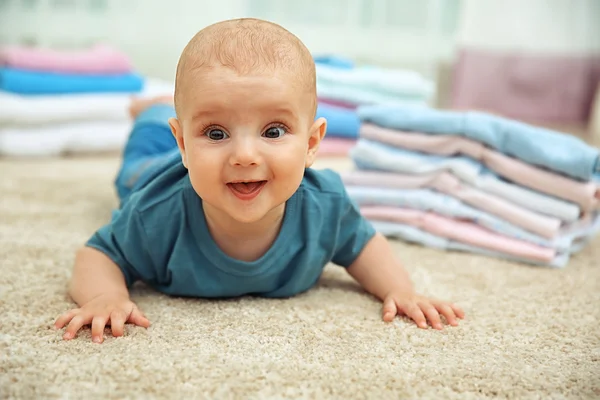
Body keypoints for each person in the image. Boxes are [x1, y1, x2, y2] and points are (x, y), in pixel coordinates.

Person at [54, 18, 464, 344]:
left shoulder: (325, 207)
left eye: (273, 131)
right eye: (215, 132)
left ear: (311, 143)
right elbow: (97, 255)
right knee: (139, 160)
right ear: (184, 142)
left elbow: (362, 244)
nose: (245, 156)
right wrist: (107, 296)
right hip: (153, 172)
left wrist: (402, 289)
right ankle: (152, 115)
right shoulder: (153, 213)